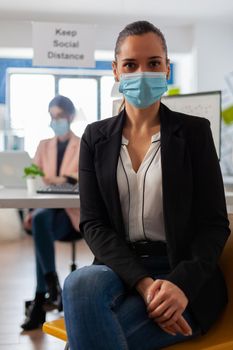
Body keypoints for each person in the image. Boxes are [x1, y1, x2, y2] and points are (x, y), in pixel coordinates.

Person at [63, 21, 230, 350]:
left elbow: (214, 224)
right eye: (130, 64)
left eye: (154, 63)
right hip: (118, 268)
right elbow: (93, 224)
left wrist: (180, 285)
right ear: (115, 71)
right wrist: (143, 283)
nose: (142, 72)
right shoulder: (95, 138)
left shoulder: (194, 133)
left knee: (82, 341)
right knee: (80, 283)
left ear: (167, 69)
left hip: (182, 274)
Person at [21, 95, 81, 331]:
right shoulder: (43, 145)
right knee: (40, 219)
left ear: (71, 117)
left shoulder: (82, 143)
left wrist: (57, 179)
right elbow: (32, 175)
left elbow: (80, 178)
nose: (55, 121)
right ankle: (50, 284)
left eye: (59, 116)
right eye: (52, 117)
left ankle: (41, 296)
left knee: (40, 222)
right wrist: (59, 179)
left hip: (70, 216)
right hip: (46, 214)